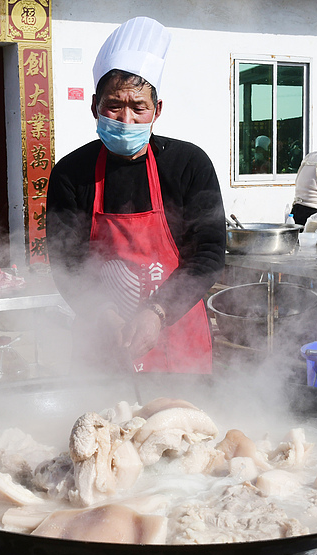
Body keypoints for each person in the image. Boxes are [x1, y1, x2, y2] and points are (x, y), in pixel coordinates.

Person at [46, 16, 225, 375]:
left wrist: (157, 312)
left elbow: (208, 253)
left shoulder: (188, 164)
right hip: (101, 340)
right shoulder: (71, 173)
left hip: (178, 341)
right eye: (114, 105)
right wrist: (100, 311)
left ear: (157, 110)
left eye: (138, 107)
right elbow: (66, 261)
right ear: (95, 105)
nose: (126, 119)